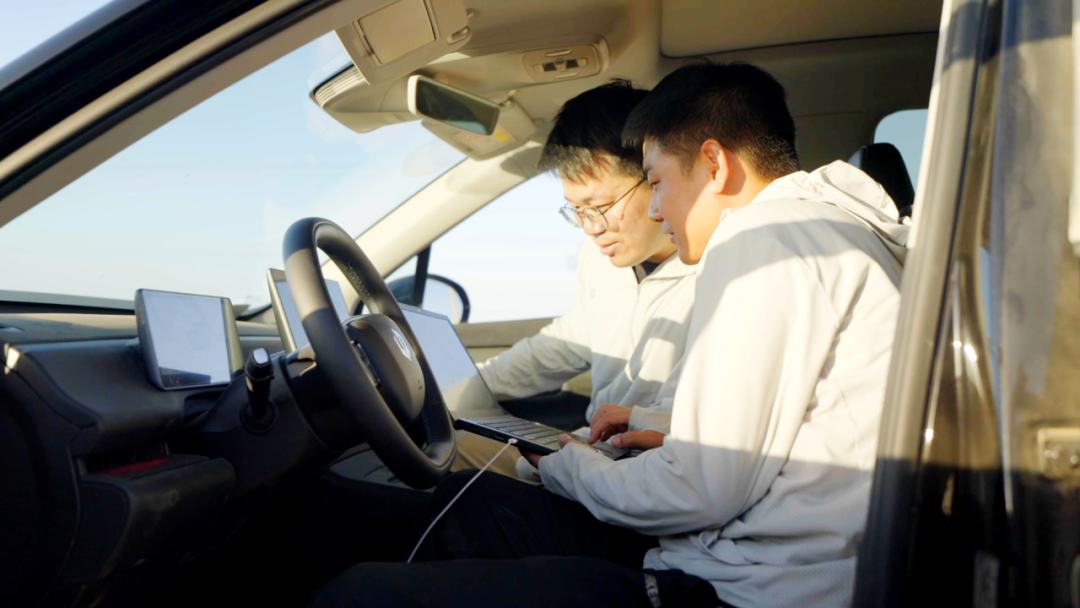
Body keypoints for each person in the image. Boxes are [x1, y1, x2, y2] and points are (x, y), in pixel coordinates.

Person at [310, 62, 908, 608]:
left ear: (715, 165)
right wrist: (654, 422)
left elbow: (699, 488)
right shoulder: (820, 232)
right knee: (472, 507)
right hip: (740, 558)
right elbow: (773, 433)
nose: (657, 210)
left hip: (740, 588)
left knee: (360, 596)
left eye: (657, 180)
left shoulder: (763, 244)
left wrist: (567, 467)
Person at [455, 80, 697, 479]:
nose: (591, 228)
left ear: (656, 176)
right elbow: (572, 339)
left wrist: (563, 462)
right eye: (577, 211)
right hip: (591, 451)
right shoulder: (601, 256)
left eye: (599, 206)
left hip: (630, 473)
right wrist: (464, 386)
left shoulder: (715, 275)